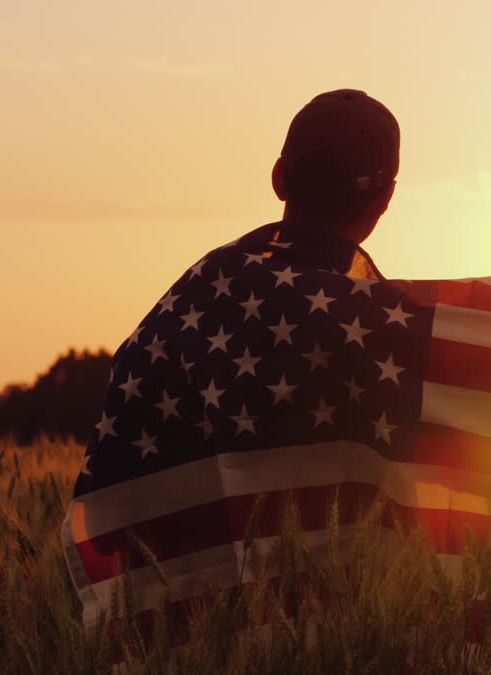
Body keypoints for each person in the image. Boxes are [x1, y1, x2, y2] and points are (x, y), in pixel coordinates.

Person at [61, 89, 408, 641]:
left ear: (278, 178)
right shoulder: (396, 337)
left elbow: (107, 521)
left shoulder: (187, 308)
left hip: (184, 659)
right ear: (385, 198)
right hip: (346, 657)